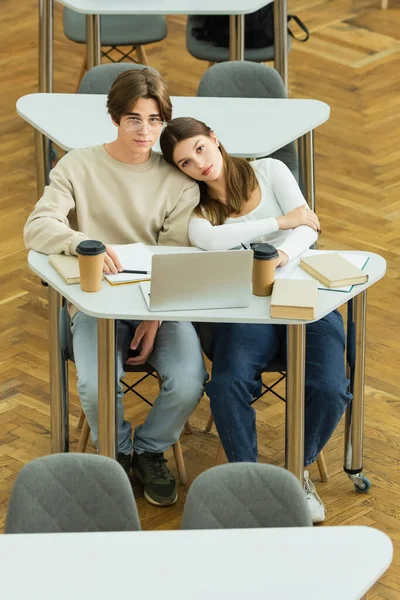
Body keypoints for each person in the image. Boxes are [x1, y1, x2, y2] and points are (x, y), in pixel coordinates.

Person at [24, 72, 208, 507]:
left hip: (159, 304)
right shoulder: (77, 165)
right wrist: (82, 243)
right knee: (94, 385)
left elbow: (175, 257)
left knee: (189, 380)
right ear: (113, 118)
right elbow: (36, 227)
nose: (145, 132)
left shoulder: (178, 181)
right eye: (133, 120)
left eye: (155, 121)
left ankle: (148, 449)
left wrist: (154, 315)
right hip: (95, 303)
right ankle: (119, 450)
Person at [160, 117, 352, 523]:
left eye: (199, 149)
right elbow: (207, 240)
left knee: (332, 387)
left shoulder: (270, 169)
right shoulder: (198, 209)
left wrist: (279, 256)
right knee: (228, 384)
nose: (198, 164)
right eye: (184, 163)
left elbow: (309, 230)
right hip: (246, 308)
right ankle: (250, 482)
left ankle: (292, 474)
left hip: (303, 294)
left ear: (214, 138)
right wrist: (282, 223)